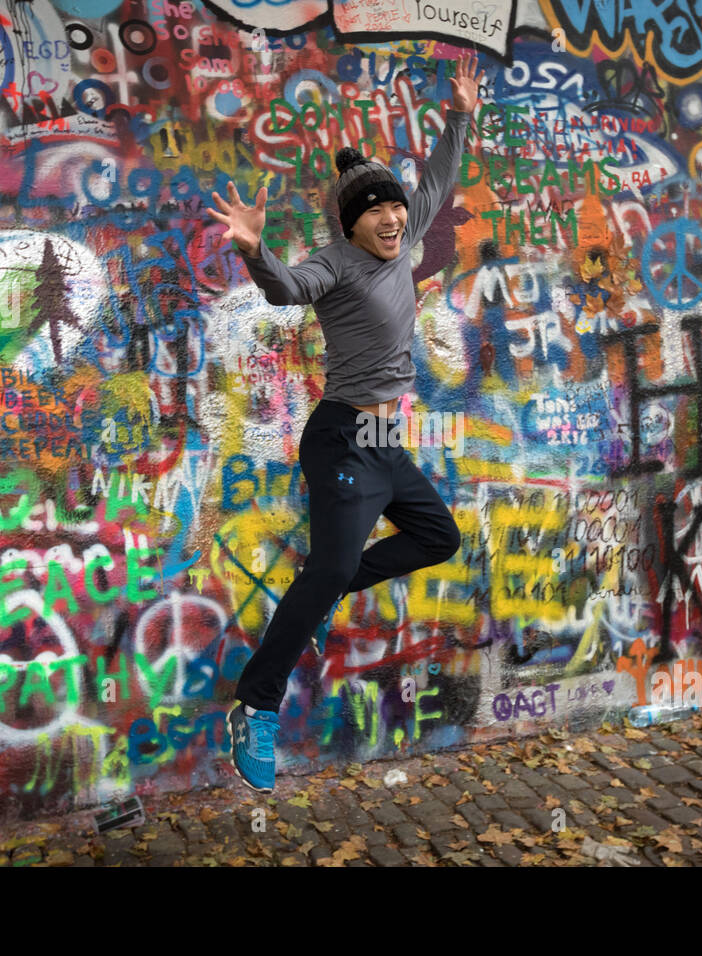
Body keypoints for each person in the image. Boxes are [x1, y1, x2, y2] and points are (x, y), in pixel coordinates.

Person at [206, 50, 484, 792]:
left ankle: (322, 600)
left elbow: (436, 180)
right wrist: (254, 251)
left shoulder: (404, 231)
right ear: (351, 224)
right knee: (328, 567)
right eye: (375, 212)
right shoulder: (335, 263)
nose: (392, 217)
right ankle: (255, 708)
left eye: (393, 208)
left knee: (437, 536)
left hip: (381, 440)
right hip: (339, 434)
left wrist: (460, 113)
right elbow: (284, 290)